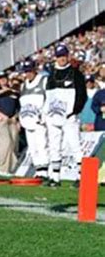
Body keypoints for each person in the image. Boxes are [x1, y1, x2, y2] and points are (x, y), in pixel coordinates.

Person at [44, 44, 87, 187]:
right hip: (53, 115)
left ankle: (81, 176)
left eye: (63, 55)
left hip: (69, 116)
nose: (61, 58)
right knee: (54, 145)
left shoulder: (76, 74)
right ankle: (55, 177)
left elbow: (82, 95)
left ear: (68, 56)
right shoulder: (51, 75)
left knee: (75, 145)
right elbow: (48, 96)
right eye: (59, 56)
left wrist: (75, 111)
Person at [18, 60, 50, 181]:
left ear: (35, 70)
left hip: (40, 120)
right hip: (27, 120)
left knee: (42, 145)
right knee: (32, 147)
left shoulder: (43, 81)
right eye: (25, 71)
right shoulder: (23, 85)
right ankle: (38, 169)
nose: (28, 74)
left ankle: (45, 171)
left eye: (30, 71)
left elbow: (49, 99)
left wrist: (44, 115)